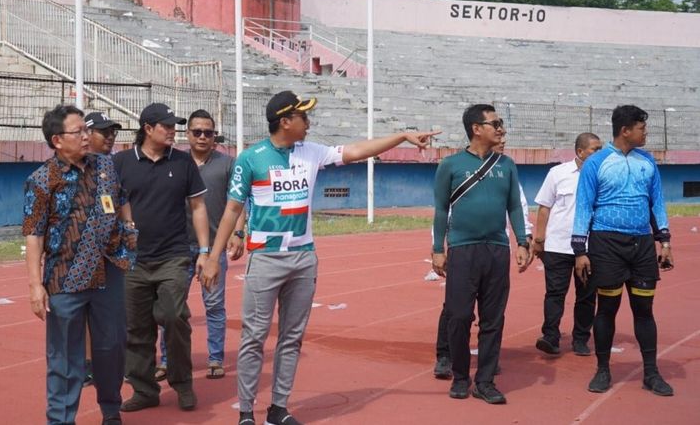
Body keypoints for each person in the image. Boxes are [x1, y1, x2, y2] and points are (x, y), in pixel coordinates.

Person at [200, 90, 438, 425]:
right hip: (265, 258)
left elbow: (355, 151)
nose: (309, 123)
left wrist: (401, 135)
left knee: (291, 338)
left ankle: (278, 409)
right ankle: (245, 412)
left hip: (303, 258)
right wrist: (212, 257)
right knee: (254, 337)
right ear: (285, 121)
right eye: (303, 117)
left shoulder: (311, 152)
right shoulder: (251, 159)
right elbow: (232, 210)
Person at [22, 104, 136, 425]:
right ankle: (61, 419)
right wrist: (35, 285)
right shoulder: (43, 180)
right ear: (58, 140)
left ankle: (111, 410)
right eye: (79, 132)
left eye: (87, 131)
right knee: (64, 356)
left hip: (108, 273)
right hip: (63, 280)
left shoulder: (105, 166)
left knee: (111, 347)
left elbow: (122, 197)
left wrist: (129, 231)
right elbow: (34, 234)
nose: (87, 137)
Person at [113, 103, 211, 412]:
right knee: (136, 328)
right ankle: (144, 391)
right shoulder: (121, 163)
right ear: (147, 128)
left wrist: (205, 252)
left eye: (174, 125)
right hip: (133, 261)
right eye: (166, 125)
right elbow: (111, 207)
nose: (173, 130)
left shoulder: (182, 162)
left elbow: (197, 207)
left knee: (174, 316)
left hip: (173, 257)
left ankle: (182, 384)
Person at [431, 104, 531, 405]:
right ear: (476, 128)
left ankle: (485, 381)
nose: (500, 128)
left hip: (498, 250)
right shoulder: (450, 165)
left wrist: (523, 242)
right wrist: (438, 249)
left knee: (493, 319)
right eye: (495, 123)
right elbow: (440, 209)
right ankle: (461, 376)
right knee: (459, 316)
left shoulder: (507, 164)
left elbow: (514, 206)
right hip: (462, 249)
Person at [572, 105, 675, 396]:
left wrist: (664, 241)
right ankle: (603, 370)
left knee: (644, 310)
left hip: (641, 244)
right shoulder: (597, 162)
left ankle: (651, 374)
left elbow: (657, 203)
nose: (646, 133)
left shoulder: (648, 162)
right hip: (606, 244)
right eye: (642, 128)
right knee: (607, 309)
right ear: (625, 130)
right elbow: (583, 205)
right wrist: (580, 249)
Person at [155, 109, 246, 382]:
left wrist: (238, 232)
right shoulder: (175, 162)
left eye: (209, 132)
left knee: (215, 306)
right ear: (188, 134)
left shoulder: (228, 164)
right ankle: (167, 359)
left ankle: (215, 358)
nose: (203, 137)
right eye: (197, 132)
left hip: (214, 249)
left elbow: (238, 202)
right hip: (177, 247)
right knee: (171, 308)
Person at [532, 132, 601, 356]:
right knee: (555, 294)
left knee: (587, 296)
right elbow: (544, 207)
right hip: (558, 245)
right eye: (595, 149)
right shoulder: (557, 173)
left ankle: (581, 339)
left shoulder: (604, 175)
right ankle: (550, 336)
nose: (600, 153)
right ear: (580, 152)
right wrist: (539, 240)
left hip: (590, 247)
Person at [81, 111, 123, 387]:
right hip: (81, 254)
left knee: (113, 314)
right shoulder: (75, 166)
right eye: (103, 131)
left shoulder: (115, 166)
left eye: (113, 132)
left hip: (112, 253)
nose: (110, 137)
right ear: (87, 134)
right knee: (83, 313)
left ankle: (110, 364)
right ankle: (86, 365)